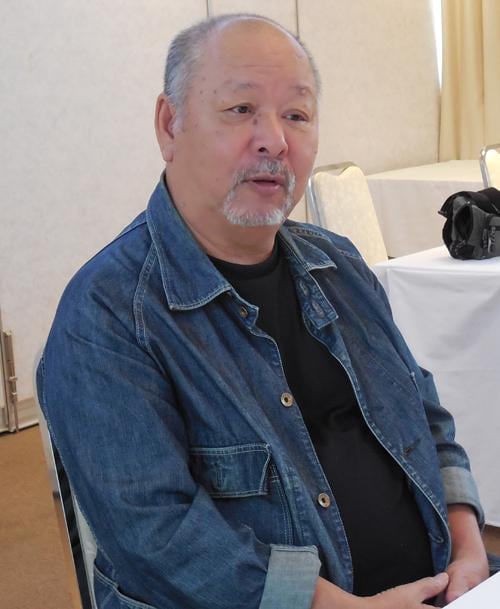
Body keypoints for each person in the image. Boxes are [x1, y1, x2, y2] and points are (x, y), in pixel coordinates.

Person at [37, 13, 490, 609]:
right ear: (170, 125)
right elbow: (158, 537)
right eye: (241, 109)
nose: (275, 140)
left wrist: (468, 550)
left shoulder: (338, 263)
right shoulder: (109, 314)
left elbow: (425, 414)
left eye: (297, 115)